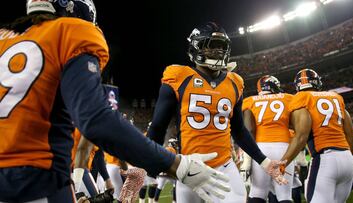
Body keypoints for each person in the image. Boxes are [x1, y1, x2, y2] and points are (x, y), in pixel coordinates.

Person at [0, 1, 231, 202]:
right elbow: (96, 120)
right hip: (33, 183)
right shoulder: (70, 31)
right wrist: (176, 164)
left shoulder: (3, 39)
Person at [147, 21, 287, 203]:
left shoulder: (235, 82)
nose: (218, 52)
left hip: (224, 166)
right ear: (196, 47)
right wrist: (145, 167)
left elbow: (239, 131)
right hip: (189, 167)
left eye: (221, 47)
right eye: (211, 46)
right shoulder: (178, 76)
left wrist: (265, 162)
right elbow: (158, 127)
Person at [280, 68, 353, 203]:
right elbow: (351, 136)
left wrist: (282, 163)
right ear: (317, 83)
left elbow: (301, 136)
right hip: (348, 161)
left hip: (325, 159)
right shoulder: (336, 97)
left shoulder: (302, 97)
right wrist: (346, 156)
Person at [242, 75, 294, 203]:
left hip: (260, 149)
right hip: (283, 148)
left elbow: (249, 130)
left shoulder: (250, 101)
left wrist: (247, 160)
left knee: (258, 192)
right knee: (284, 195)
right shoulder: (288, 98)